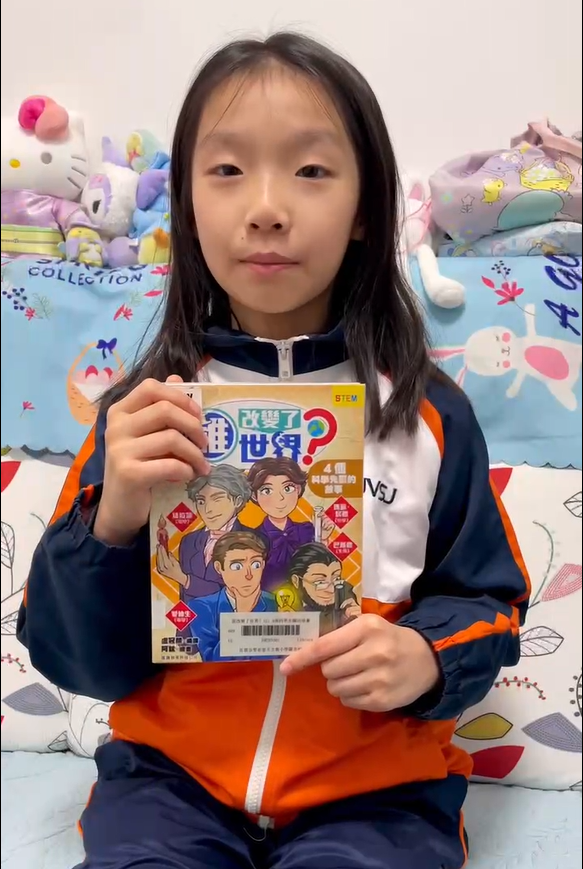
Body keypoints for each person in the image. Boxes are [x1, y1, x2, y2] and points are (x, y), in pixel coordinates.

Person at [18, 32, 530, 869]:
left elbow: (490, 602)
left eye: (311, 169)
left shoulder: (428, 413)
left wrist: (426, 656)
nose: (265, 206)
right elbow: (81, 662)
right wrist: (112, 524)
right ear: (186, 205)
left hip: (377, 796)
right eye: (226, 169)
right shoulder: (143, 415)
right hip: (168, 784)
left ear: (365, 209)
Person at [155, 463, 257, 602]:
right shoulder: (189, 541)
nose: (208, 509)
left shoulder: (256, 540)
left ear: (237, 501)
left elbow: (240, 594)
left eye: (217, 499)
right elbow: (185, 598)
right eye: (201, 501)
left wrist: (184, 579)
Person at [247, 456, 333, 590]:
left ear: (298, 489)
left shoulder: (308, 530)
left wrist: (322, 539)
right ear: (254, 495)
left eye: (288, 488)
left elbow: (321, 571)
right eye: (267, 491)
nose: (280, 498)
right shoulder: (252, 538)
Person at [190, 531, 277, 662]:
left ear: (263, 565)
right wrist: (241, 616)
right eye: (237, 566)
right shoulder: (201, 607)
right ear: (219, 568)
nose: (248, 575)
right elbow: (213, 660)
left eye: (256, 565)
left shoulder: (273, 602)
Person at [288, 542, 360, 634]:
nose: (331, 590)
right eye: (320, 582)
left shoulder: (342, 591)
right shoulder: (287, 602)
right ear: (296, 581)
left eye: (336, 578)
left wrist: (351, 615)